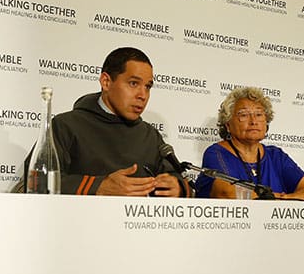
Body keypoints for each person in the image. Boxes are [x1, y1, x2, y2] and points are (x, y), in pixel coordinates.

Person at [22, 47, 190, 197]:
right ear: (106, 82)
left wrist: (176, 187)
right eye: (133, 83)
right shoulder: (66, 125)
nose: (142, 95)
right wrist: (98, 186)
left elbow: (175, 177)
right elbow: (35, 182)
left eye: (147, 86)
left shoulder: (150, 136)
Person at [195, 86, 304, 201]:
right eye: (244, 115)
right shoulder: (216, 153)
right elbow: (228, 193)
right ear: (228, 124)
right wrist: (287, 197)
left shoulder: (276, 156)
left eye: (259, 114)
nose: (253, 121)